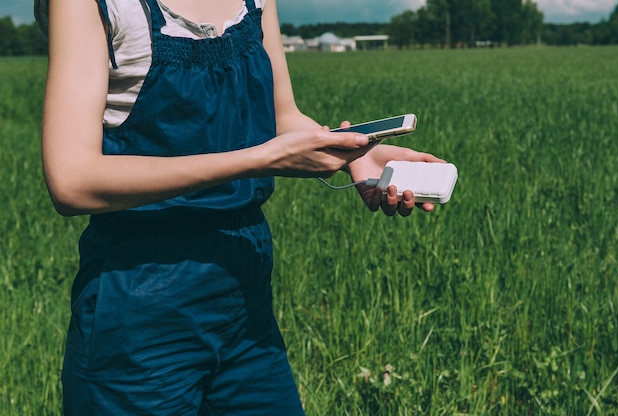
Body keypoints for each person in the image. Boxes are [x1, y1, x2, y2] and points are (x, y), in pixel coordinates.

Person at [36, 0, 445, 414]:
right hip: (139, 299)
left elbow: (281, 117)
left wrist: (358, 154)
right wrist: (260, 159)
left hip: (245, 291)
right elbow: (72, 180)